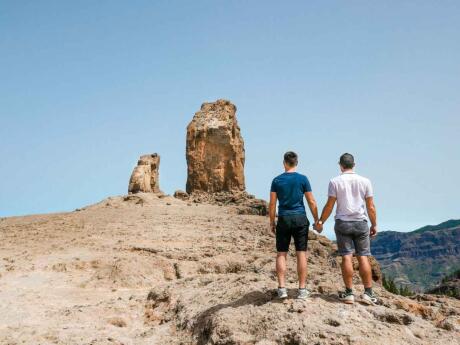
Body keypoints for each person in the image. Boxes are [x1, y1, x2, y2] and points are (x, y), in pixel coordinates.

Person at [315, 153, 378, 305]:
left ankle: (349, 293)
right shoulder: (365, 181)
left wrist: (321, 221)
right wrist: (374, 224)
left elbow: (330, 204)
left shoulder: (335, 181)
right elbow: (370, 206)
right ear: (354, 165)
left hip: (342, 223)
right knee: (363, 256)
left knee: (346, 257)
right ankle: (368, 293)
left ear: (340, 165)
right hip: (361, 223)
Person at [269, 151, 319, 299]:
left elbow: (272, 203)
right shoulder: (303, 179)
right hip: (300, 218)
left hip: (284, 218)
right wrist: (317, 220)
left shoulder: (276, 180)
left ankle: (282, 289)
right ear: (296, 163)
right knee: (301, 253)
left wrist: (272, 222)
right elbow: (311, 201)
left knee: (281, 253)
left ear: (284, 162)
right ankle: (302, 290)